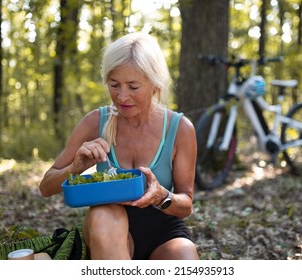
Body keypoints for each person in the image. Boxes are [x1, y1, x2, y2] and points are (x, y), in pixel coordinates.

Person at [39, 32, 199, 260]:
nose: (122, 96)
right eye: (114, 85)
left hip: (164, 232)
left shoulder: (180, 128)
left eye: (133, 87)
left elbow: (186, 204)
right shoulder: (95, 122)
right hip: (107, 225)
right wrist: (74, 168)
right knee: (105, 217)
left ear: (155, 85)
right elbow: (46, 187)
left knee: (184, 255)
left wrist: (161, 195)